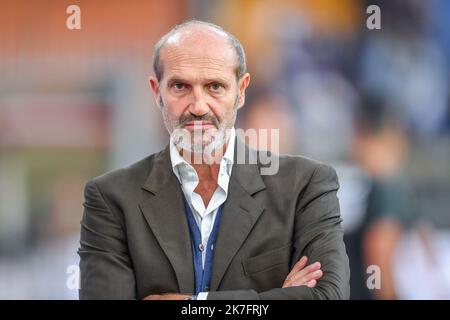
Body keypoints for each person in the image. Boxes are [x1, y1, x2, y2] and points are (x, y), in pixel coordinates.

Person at [78, 20, 350, 300]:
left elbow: (328, 296)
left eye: (215, 87)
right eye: (181, 86)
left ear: (241, 91)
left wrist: (194, 303)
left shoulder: (305, 185)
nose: (198, 106)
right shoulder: (111, 198)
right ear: (156, 91)